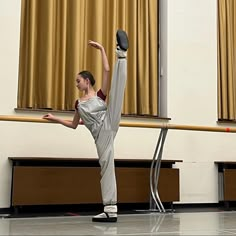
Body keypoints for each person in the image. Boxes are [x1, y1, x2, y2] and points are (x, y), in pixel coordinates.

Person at [42, 30, 129, 222]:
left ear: (87, 81)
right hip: (101, 135)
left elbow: (106, 71)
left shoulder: (99, 95)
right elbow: (74, 125)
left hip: (109, 121)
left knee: (116, 95)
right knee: (107, 166)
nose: (76, 84)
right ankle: (110, 208)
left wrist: (102, 49)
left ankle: (121, 55)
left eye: (78, 81)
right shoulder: (78, 104)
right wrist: (54, 118)